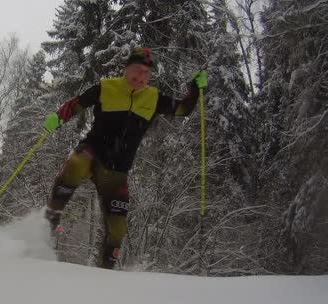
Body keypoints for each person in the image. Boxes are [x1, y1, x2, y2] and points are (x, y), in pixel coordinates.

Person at [42, 47, 208, 269]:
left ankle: (106, 272)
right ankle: (51, 216)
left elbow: (182, 109)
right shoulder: (106, 87)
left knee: (118, 228)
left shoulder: (153, 97)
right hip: (93, 151)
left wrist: (195, 88)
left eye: (146, 74)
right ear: (126, 69)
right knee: (77, 163)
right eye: (136, 70)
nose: (140, 77)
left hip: (117, 170)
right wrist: (58, 116)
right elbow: (78, 103)